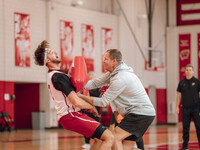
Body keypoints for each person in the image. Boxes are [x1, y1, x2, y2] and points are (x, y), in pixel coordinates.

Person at [33, 40, 114, 150]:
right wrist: (91, 107)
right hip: (71, 115)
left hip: (70, 115)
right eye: (51, 52)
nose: (55, 52)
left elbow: (74, 96)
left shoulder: (54, 75)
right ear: (47, 60)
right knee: (109, 137)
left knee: (96, 139)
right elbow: (75, 100)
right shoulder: (58, 76)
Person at [78, 49, 156, 150]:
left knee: (114, 137)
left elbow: (103, 102)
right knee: (126, 146)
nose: (103, 61)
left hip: (140, 113)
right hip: (142, 114)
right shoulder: (113, 74)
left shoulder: (121, 78)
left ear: (114, 61)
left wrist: (81, 97)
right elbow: (94, 83)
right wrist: (76, 84)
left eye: (106, 59)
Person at [175, 64, 200, 150]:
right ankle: (185, 146)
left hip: (196, 108)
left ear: (193, 71)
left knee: (199, 127)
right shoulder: (181, 82)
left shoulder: (197, 82)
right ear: (185, 71)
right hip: (185, 108)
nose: (188, 71)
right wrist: (176, 107)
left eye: (190, 70)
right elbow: (178, 96)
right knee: (185, 128)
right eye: (187, 70)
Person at [82, 72, 101, 149]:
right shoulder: (85, 88)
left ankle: (96, 140)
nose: (91, 79)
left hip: (96, 110)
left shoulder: (98, 88)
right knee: (86, 127)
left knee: (96, 126)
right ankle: (87, 143)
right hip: (87, 110)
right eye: (90, 77)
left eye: (92, 78)